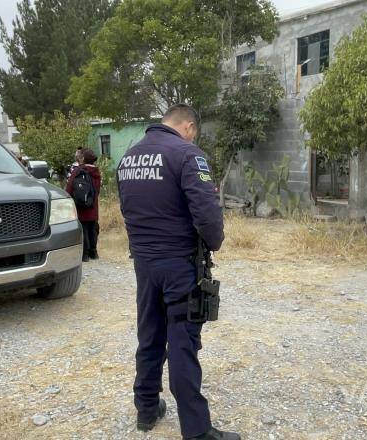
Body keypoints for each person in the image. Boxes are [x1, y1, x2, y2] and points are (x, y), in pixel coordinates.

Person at [117, 104, 238, 440]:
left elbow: (128, 209)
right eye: (193, 131)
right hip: (179, 264)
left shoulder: (129, 157)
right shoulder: (187, 154)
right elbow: (206, 212)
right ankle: (197, 432)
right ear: (188, 125)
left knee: (150, 332)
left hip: (144, 262)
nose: (192, 136)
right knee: (182, 341)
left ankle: (146, 409)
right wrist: (215, 242)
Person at [66, 148, 101, 262]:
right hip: (93, 205)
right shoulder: (96, 172)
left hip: (80, 205)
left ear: (83, 158)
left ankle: (84, 255)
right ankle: (94, 252)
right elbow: (97, 190)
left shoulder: (78, 170)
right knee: (93, 228)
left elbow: (70, 187)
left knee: (83, 228)